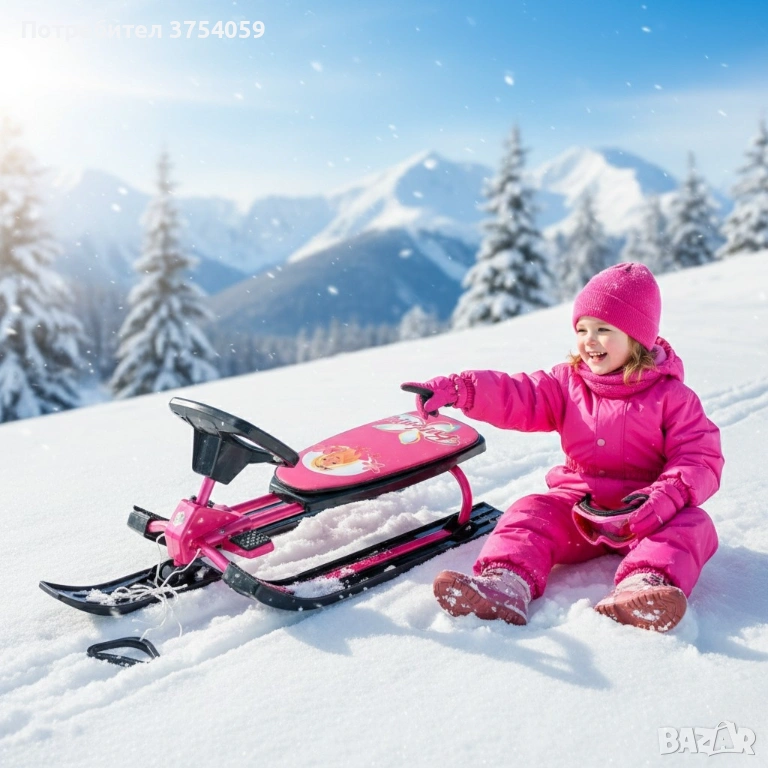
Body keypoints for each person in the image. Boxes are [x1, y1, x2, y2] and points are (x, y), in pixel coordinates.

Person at [404, 263, 723, 632]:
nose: (589, 340)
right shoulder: (565, 384)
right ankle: (505, 583)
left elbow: (700, 456)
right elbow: (516, 395)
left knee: (694, 525)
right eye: (582, 329)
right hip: (580, 510)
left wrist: (666, 497)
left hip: (648, 516)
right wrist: (463, 390)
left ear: (638, 338)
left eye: (604, 329)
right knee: (530, 511)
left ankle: (644, 586)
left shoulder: (672, 397)